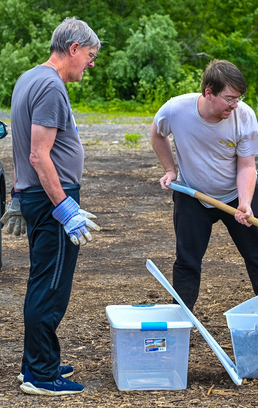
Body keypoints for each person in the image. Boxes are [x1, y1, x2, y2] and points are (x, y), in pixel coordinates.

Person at [0, 17, 101, 395]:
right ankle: (42, 375)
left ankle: (36, 360)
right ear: (73, 49)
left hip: (36, 196)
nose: (91, 63)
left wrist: (15, 194)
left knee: (42, 281)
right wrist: (65, 209)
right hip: (51, 199)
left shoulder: (29, 77)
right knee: (51, 287)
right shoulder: (50, 86)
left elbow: (21, 146)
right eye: (90, 55)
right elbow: (40, 156)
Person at [151, 59, 258, 311]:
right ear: (208, 92)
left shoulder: (244, 116)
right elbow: (157, 133)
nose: (235, 105)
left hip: (236, 194)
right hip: (193, 194)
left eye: (239, 98)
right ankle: (180, 322)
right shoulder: (176, 109)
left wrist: (244, 202)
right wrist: (170, 169)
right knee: (187, 261)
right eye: (230, 98)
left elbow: (246, 165)